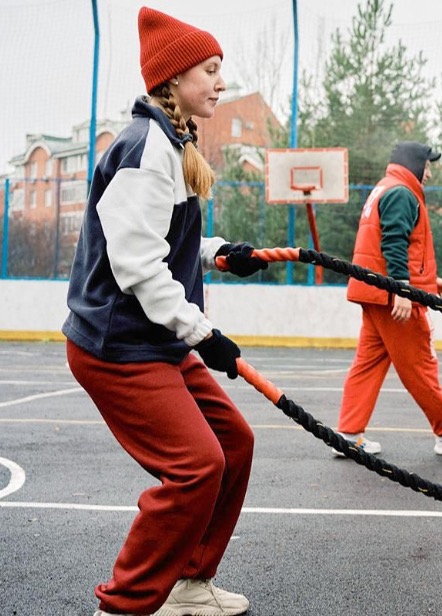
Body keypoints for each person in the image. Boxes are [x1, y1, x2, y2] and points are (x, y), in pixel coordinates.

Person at [62, 8, 266, 616]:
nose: (220, 83)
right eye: (210, 71)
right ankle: (123, 605)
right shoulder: (143, 148)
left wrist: (218, 252)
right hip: (118, 346)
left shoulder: (171, 143)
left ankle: (189, 582)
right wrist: (205, 335)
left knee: (236, 443)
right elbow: (139, 269)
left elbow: (164, 242)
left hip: (155, 341)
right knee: (196, 467)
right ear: (174, 79)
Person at [335, 142, 442, 457]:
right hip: (392, 296)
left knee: (368, 364)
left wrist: (428, 282)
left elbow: (388, 244)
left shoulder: (386, 188)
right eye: (427, 165)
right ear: (413, 163)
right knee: (421, 366)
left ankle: (349, 434)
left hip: (375, 293)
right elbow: (393, 242)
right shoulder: (402, 193)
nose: (429, 172)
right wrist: (403, 289)